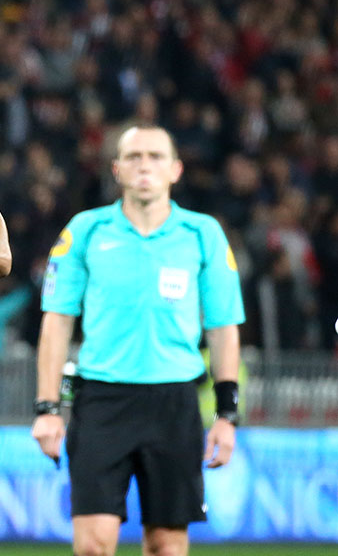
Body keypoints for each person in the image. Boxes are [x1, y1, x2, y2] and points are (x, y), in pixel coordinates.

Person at [31, 125, 244, 556]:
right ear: (116, 169)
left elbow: (223, 327)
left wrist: (227, 415)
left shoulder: (203, 233)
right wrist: (47, 408)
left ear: (176, 169)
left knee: (167, 545)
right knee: (93, 546)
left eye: (155, 156)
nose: (144, 165)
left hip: (175, 403)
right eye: (133, 156)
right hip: (101, 401)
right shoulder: (85, 230)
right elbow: (57, 322)